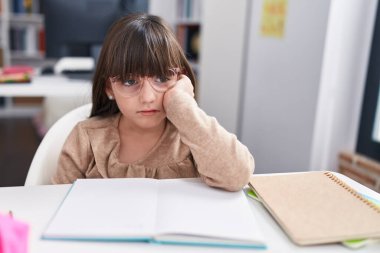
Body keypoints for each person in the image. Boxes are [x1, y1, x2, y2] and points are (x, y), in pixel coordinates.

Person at [52, 13, 254, 191]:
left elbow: (237, 176)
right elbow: (54, 203)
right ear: (109, 88)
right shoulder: (87, 138)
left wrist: (182, 104)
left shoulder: (194, 133)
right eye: (129, 81)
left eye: (162, 78)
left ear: (180, 80)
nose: (148, 97)